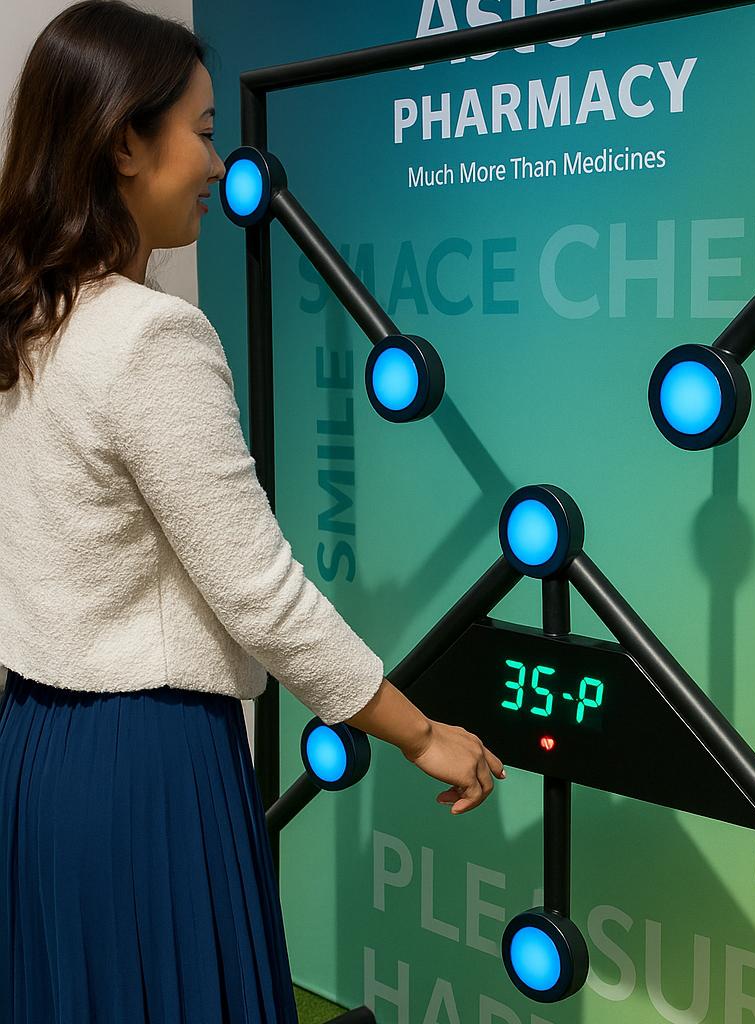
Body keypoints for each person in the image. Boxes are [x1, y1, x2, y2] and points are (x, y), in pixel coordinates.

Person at [0, 2, 505, 1021]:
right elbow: (260, 593)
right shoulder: (151, 338)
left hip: (35, 753)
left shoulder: (30, 324)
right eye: (197, 130)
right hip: (146, 765)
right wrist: (419, 734)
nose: (216, 161)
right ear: (124, 144)